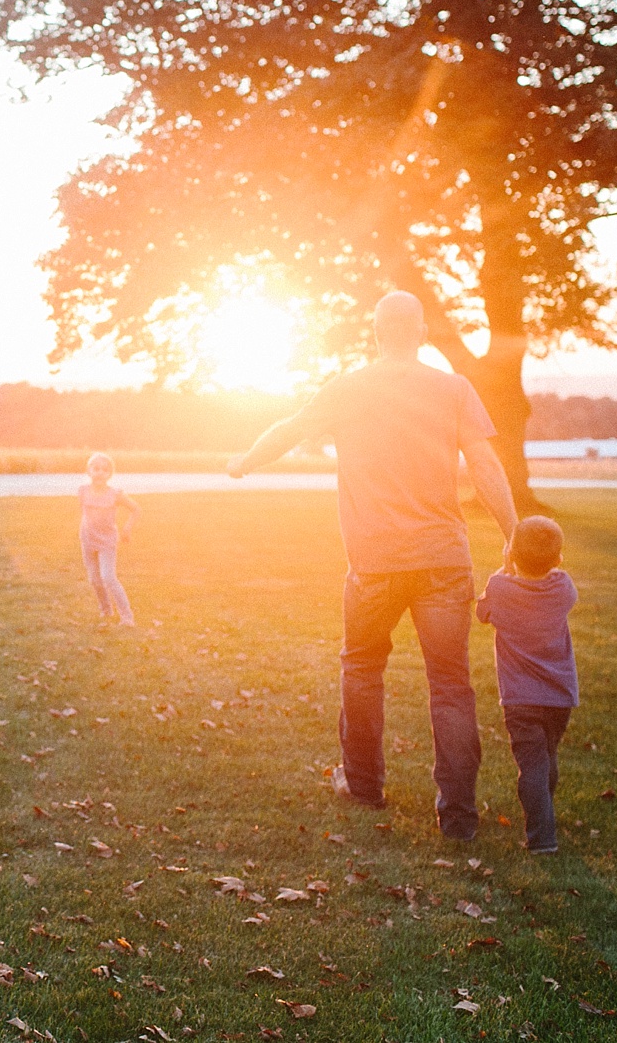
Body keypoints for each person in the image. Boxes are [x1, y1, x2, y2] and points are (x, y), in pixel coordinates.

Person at [227, 291, 517, 841]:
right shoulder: (453, 388)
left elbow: (289, 428)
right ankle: (457, 816)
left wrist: (243, 462)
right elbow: (483, 462)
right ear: (423, 332)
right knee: (451, 685)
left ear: (377, 330)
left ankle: (363, 785)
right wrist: (512, 532)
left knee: (362, 668)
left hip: (375, 563)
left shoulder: (347, 388)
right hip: (442, 561)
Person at [476, 515, 578, 854]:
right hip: (560, 697)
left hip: (521, 699)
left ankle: (542, 839)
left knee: (532, 765)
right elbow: (559, 582)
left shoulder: (500, 588)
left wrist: (506, 569)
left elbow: (482, 613)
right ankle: (545, 814)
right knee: (547, 756)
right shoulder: (562, 587)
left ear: (512, 555)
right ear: (558, 559)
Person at [78, 452, 140, 626]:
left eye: (105, 470)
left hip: (107, 542)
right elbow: (84, 513)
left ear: (110, 474)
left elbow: (136, 509)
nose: (99, 472)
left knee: (108, 577)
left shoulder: (115, 494)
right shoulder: (82, 491)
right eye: (96, 469)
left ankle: (127, 617)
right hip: (88, 541)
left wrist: (127, 528)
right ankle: (106, 610)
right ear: (89, 471)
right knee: (94, 580)